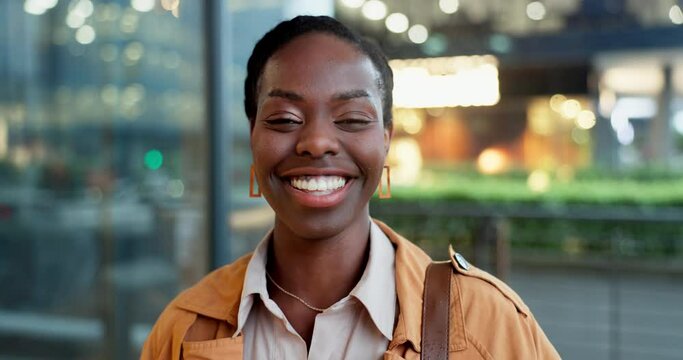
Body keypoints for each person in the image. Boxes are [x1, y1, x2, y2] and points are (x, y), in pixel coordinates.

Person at [141, 15, 560, 360]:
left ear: (385, 140)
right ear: (253, 137)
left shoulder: (486, 321)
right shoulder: (182, 330)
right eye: (285, 119)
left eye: (353, 119)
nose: (317, 142)